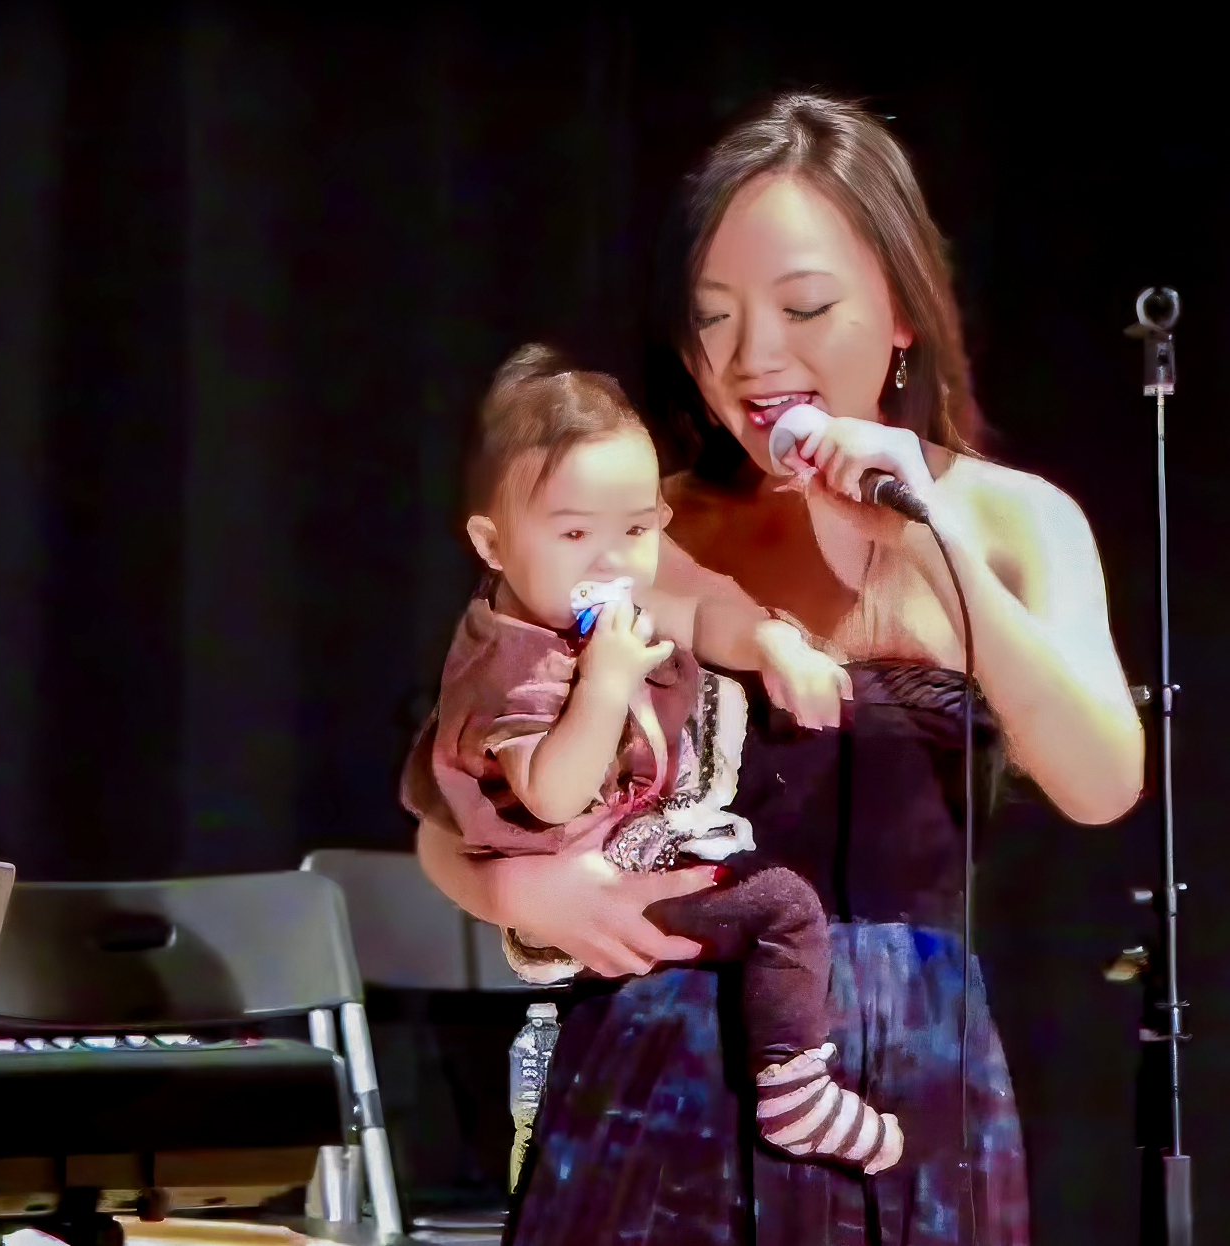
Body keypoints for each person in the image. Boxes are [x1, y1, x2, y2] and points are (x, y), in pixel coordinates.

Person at [412, 94, 1141, 1244]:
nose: (754, 359)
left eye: (804, 307)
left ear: (902, 312)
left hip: (905, 1081)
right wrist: (510, 889)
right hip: (654, 1067)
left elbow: (1103, 780)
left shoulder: (1010, 522)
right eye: (713, 321)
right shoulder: (650, 526)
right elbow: (461, 781)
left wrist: (924, 536)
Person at [411, 343, 901, 1173]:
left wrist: (772, 644)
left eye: (636, 529)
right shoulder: (517, 664)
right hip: (594, 895)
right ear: (492, 545)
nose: (612, 560)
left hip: (647, 872)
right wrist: (602, 687)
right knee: (781, 905)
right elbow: (554, 794)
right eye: (573, 533)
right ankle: (794, 1089)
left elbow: (698, 610)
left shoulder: (593, 599)